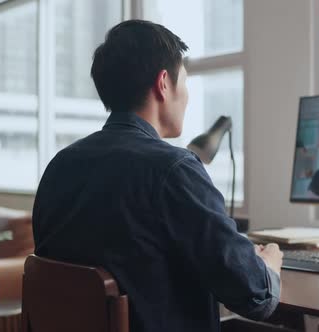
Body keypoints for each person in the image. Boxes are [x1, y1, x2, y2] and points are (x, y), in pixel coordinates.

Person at [32, 20, 282, 332]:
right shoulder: (173, 169)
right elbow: (255, 295)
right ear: (163, 83)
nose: (187, 96)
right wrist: (269, 265)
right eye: (185, 83)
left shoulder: (59, 166)